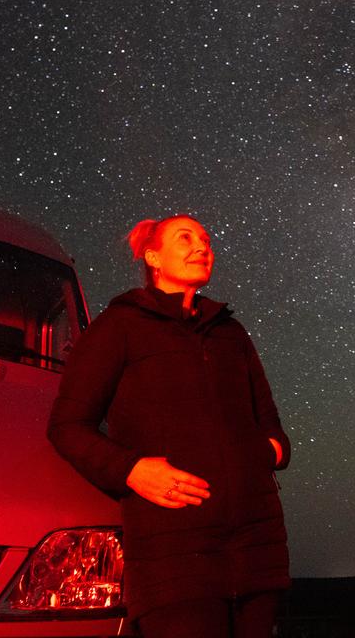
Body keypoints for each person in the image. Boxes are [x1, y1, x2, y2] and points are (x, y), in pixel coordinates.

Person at [48, 214, 290, 638]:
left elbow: (272, 428)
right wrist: (132, 470)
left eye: (205, 240)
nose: (202, 247)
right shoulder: (119, 326)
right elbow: (68, 425)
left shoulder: (231, 333)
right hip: (173, 556)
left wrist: (265, 454)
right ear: (154, 257)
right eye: (186, 238)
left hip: (256, 550)